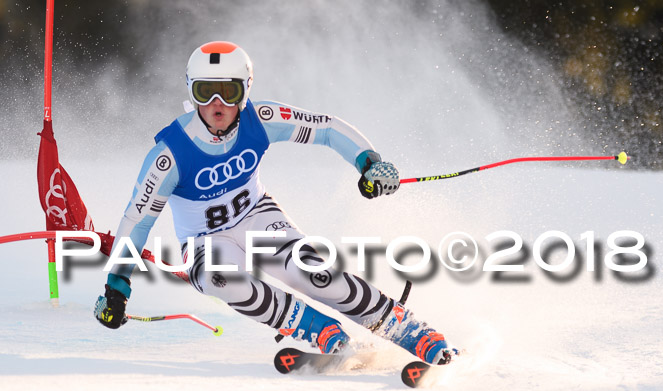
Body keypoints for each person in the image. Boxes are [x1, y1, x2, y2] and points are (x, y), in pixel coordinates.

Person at [94, 41, 457, 365]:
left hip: (257, 216)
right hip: (205, 239)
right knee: (216, 278)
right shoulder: (169, 155)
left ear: (245, 91)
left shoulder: (261, 119)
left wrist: (370, 163)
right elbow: (137, 222)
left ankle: (408, 329)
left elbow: (327, 128)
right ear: (191, 90)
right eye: (206, 92)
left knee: (312, 272)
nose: (217, 105)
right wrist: (117, 286)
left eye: (228, 91)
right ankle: (318, 329)